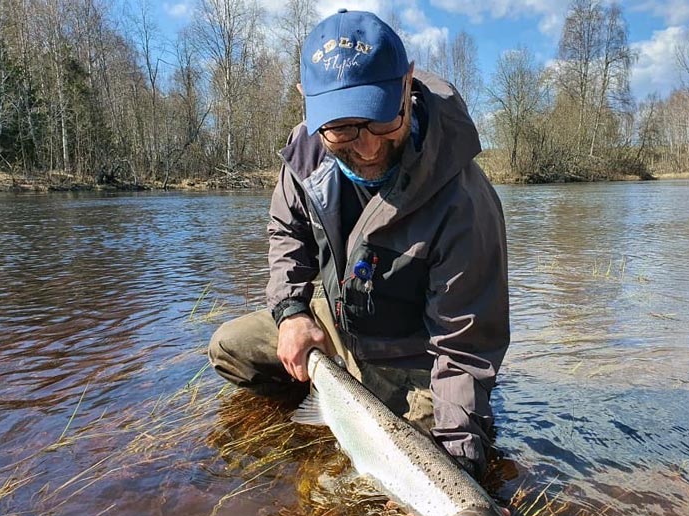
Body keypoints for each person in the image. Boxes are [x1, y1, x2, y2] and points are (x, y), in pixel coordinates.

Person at [208, 9, 509, 482]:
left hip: (416, 359)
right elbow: (287, 236)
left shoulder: (463, 202)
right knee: (229, 347)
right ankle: (325, 401)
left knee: (430, 472)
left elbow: (465, 349)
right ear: (307, 104)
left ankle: (354, 409)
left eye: (382, 120)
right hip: (338, 328)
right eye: (343, 128)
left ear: (407, 84)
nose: (367, 149)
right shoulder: (303, 158)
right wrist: (291, 314)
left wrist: (459, 468)